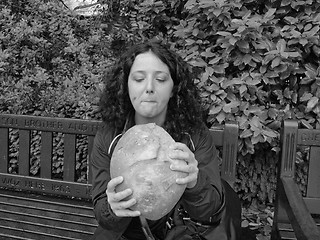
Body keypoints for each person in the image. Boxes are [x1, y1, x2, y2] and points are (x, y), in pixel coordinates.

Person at [90, 41, 228, 240]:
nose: (149, 88)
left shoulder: (194, 135)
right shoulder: (109, 136)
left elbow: (210, 210)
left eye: (161, 79)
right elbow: (103, 212)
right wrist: (112, 208)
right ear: (126, 86)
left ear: (173, 89)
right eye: (138, 79)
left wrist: (194, 183)